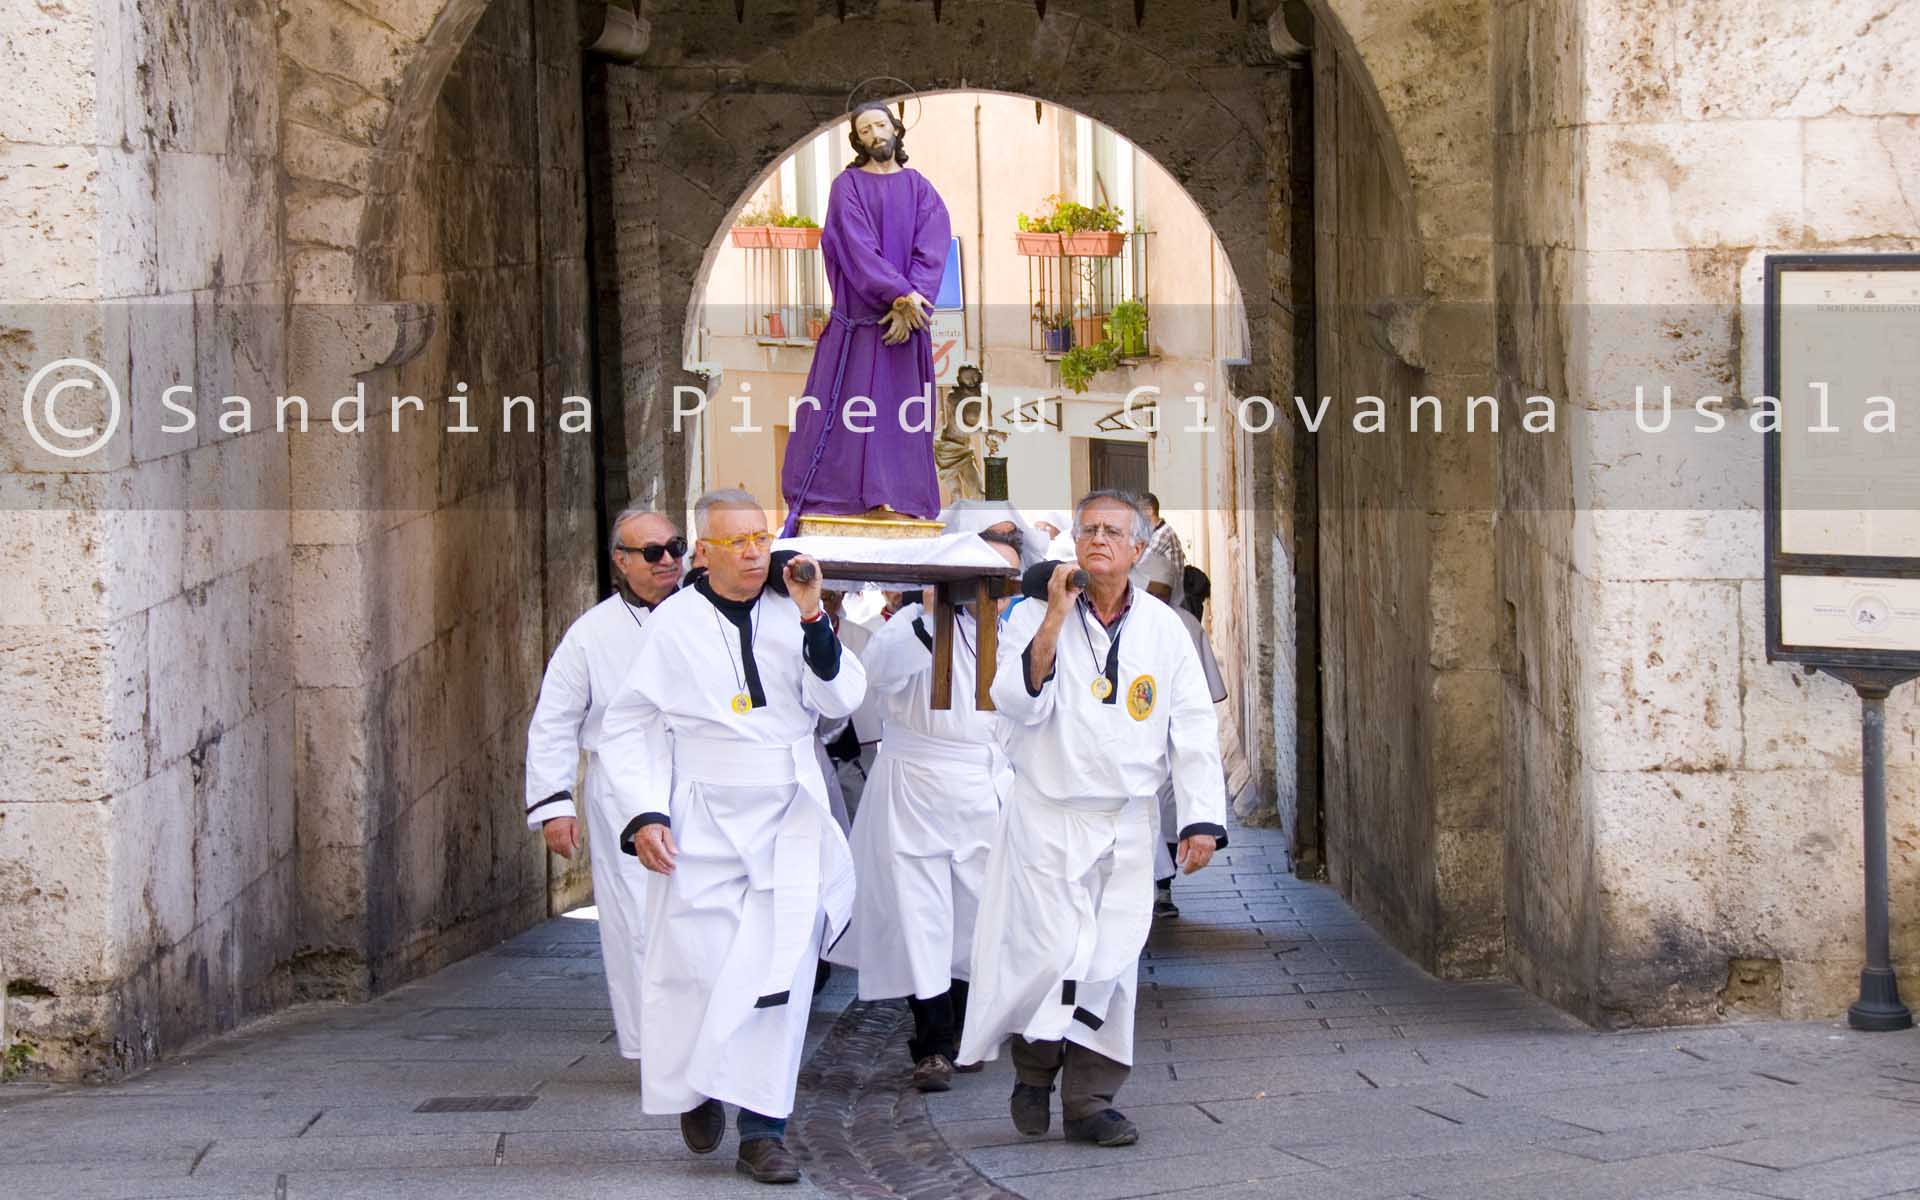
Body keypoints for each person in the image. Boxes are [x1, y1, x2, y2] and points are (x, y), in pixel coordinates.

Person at [598, 489, 865, 1185]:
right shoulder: (674, 623)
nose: (753, 551)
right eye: (737, 540)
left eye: (761, 536)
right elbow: (627, 725)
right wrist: (643, 814)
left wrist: (815, 618)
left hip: (789, 814)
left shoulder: (796, 609)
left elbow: (841, 702)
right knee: (704, 963)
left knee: (782, 968)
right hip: (705, 816)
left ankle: (763, 1131)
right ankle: (698, 1083)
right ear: (705, 550)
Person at [958, 490, 1228, 1149]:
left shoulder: (1164, 630)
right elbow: (1012, 702)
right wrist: (1053, 616)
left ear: (1137, 549)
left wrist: (1199, 820)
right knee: (1051, 953)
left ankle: (1090, 1101)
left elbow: (1191, 727)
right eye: (1087, 531)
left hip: (1126, 824)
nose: (1098, 540)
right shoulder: (1033, 615)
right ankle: (1034, 1066)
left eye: (1112, 532)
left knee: (1110, 964)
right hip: (1048, 817)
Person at [829, 527, 1023, 1093]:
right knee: (922, 917)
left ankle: (966, 1029)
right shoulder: (907, 628)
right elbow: (878, 675)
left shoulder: (1009, 639)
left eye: (1005, 581)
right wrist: (928, 608)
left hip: (983, 788)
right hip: (916, 786)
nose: (998, 593)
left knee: (975, 916)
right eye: (987, 578)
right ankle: (932, 1042)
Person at [522, 508, 685, 1063]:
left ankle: (710, 1042)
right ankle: (654, 1051)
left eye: (676, 547)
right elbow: (556, 719)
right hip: (622, 788)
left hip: (698, 778)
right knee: (635, 918)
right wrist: (554, 804)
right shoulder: (591, 635)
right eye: (653, 552)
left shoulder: (707, 615)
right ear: (621, 560)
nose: (669, 560)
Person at [780, 102, 952, 527]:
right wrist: (898, 297)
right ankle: (842, 498)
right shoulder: (847, 187)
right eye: (866, 130)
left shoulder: (921, 189)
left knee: (900, 418)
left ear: (896, 129)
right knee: (848, 418)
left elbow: (932, 249)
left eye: (881, 125)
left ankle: (899, 497)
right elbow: (855, 248)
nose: (876, 134)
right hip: (859, 329)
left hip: (904, 331)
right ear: (858, 140)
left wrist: (912, 306)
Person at [1133, 551, 1229, 920]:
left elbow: (1200, 700)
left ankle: (1163, 887)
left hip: (1171, 737)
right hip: (1133, 748)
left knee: (1169, 812)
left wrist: (1202, 822)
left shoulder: (1182, 624)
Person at [1141, 492, 1186, 608]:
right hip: (1163, 592)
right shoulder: (1155, 532)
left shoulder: (1163, 533)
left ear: (1150, 511)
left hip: (1170, 596)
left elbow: (1142, 561)